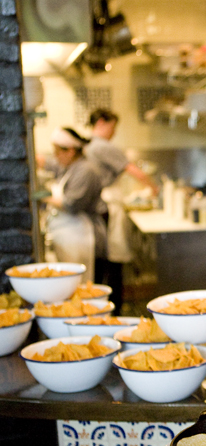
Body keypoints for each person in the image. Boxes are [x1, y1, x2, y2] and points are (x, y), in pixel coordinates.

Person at [84, 109, 156, 311]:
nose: (113, 133)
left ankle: (100, 309)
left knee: (102, 261)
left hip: (98, 209)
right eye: (112, 127)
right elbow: (134, 171)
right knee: (113, 262)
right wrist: (154, 188)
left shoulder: (89, 145)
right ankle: (114, 309)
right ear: (101, 122)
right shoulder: (102, 147)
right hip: (108, 208)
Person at [41, 128, 106, 283]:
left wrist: (43, 198)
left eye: (57, 152)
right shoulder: (70, 167)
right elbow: (48, 164)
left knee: (84, 285)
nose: (56, 157)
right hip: (72, 237)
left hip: (84, 237)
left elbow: (72, 205)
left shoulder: (86, 170)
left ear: (70, 151)